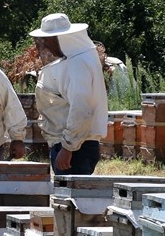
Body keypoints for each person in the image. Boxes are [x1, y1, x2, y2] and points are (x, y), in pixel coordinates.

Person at [29, 13, 109, 174]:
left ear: (61, 38)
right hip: (75, 144)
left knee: (70, 190)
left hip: (76, 148)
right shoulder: (82, 59)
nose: (46, 45)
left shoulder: (78, 64)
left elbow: (81, 108)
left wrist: (68, 148)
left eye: (48, 40)